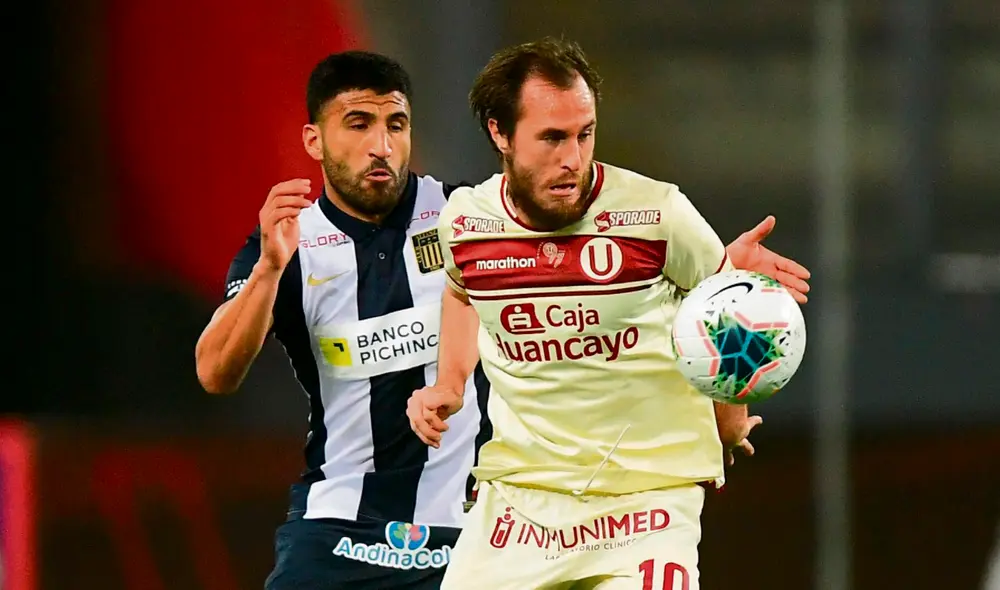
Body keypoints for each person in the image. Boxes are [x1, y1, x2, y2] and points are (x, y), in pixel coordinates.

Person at [406, 37, 811, 590]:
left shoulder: (658, 211)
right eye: (551, 138)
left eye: (584, 134)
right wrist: (449, 384)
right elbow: (461, 292)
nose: (572, 159)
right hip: (523, 501)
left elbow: (727, 316)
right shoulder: (463, 224)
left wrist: (729, 417)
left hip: (647, 501)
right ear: (500, 133)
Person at [194, 51, 492, 590]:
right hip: (339, 525)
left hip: (472, 525)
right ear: (314, 140)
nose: (381, 146)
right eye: (358, 123)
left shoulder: (462, 214)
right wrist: (269, 269)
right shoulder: (290, 243)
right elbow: (215, 372)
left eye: (394, 124)